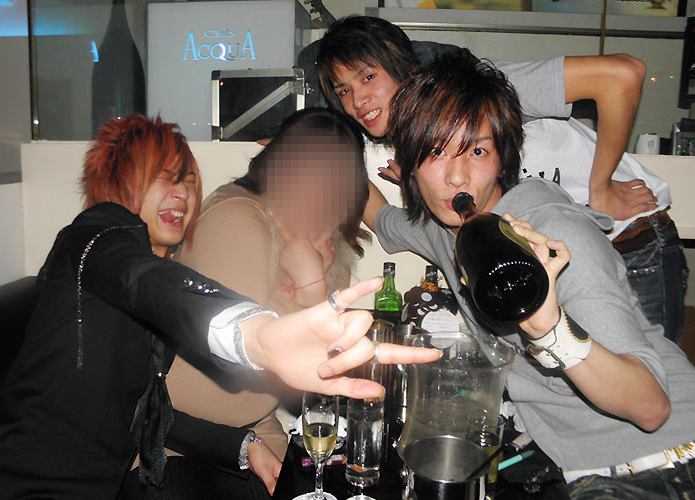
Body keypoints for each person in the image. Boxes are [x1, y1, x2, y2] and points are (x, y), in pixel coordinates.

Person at [0, 115, 439, 499]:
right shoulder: (96, 234)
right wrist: (255, 333)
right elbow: (145, 281)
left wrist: (243, 447)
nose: (183, 193)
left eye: (188, 180)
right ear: (117, 178)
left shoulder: (150, 281)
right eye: (164, 177)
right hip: (31, 482)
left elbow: (149, 409)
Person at [364, 51, 695, 498]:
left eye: (477, 151)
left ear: (503, 161)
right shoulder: (446, 230)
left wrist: (550, 328)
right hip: (577, 467)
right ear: (411, 166)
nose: (457, 177)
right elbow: (380, 217)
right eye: (437, 151)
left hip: (663, 464)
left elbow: (650, 407)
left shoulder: (555, 234)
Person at [314, 15, 688, 345]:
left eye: (368, 77)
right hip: (552, 264)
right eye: (343, 90)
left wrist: (601, 186)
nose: (358, 100)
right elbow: (386, 217)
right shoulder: (417, 149)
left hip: (629, 241)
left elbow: (622, 74)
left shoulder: (478, 91)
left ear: (402, 67)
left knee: (646, 380)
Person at [161, 108, 370, 498]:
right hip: (175, 433)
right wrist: (308, 287)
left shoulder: (329, 247)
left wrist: (314, 283)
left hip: (253, 425)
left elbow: (310, 387)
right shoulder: (238, 215)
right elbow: (233, 364)